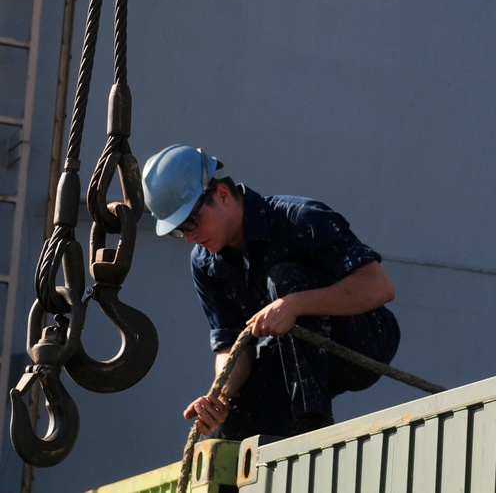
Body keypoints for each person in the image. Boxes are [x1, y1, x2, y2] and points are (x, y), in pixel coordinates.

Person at [141, 144, 400, 439]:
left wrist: (294, 304)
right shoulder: (205, 263)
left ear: (222, 195)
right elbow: (232, 344)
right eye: (178, 231)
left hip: (364, 340)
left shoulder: (299, 218)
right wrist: (220, 396)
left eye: (190, 222)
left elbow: (380, 286)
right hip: (295, 355)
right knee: (234, 422)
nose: (189, 237)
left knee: (284, 279)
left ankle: (311, 423)